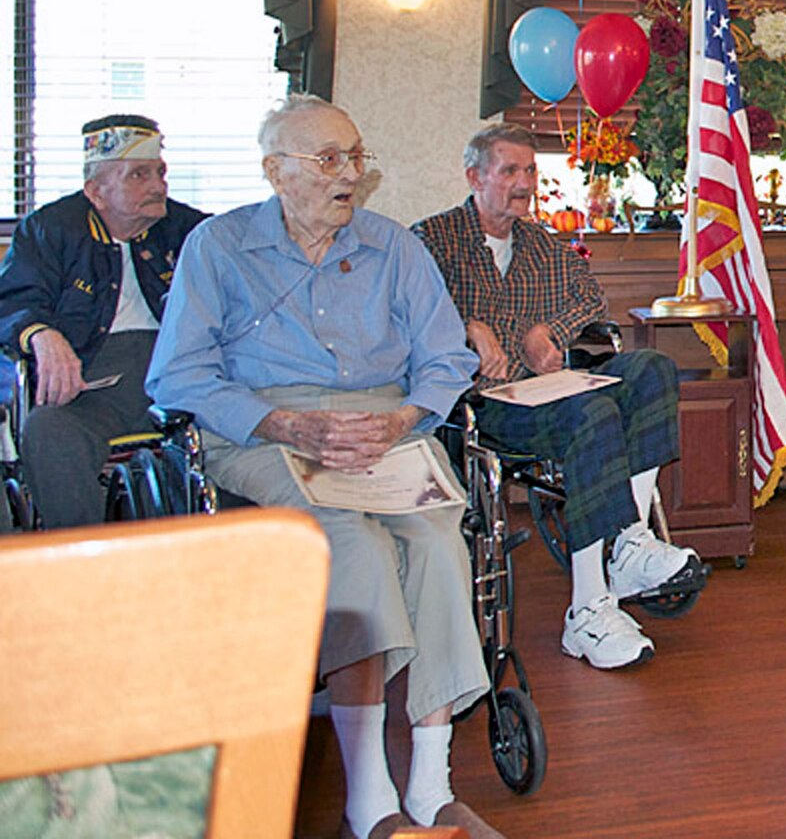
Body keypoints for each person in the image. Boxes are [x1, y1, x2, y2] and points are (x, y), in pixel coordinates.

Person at [148, 97, 502, 839]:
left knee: (441, 543)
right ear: (277, 171)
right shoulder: (219, 247)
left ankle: (433, 787)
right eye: (329, 160)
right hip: (267, 432)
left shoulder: (395, 247)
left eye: (355, 156)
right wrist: (284, 423)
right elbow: (177, 375)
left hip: (385, 426)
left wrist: (404, 419)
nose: (350, 175)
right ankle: (368, 797)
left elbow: (445, 360)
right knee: (356, 546)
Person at [414, 123, 702, 669]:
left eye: (530, 171)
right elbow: (406, 313)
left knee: (652, 369)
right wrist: (467, 326)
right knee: (593, 410)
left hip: (546, 391)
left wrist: (548, 330)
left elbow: (591, 299)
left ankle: (628, 544)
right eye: (509, 171)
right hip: (481, 404)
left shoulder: (542, 245)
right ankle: (588, 609)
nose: (523, 184)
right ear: (475, 176)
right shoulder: (432, 240)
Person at [0, 115, 204, 528]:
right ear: (96, 191)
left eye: (160, 172)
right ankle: (85, 565)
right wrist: (41, 334)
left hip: (185, 380)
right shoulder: (49, 229)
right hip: (91, 384)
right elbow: (14, 300)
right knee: (48, 429)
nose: (157, 186)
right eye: (139, 175)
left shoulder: (193, 231)